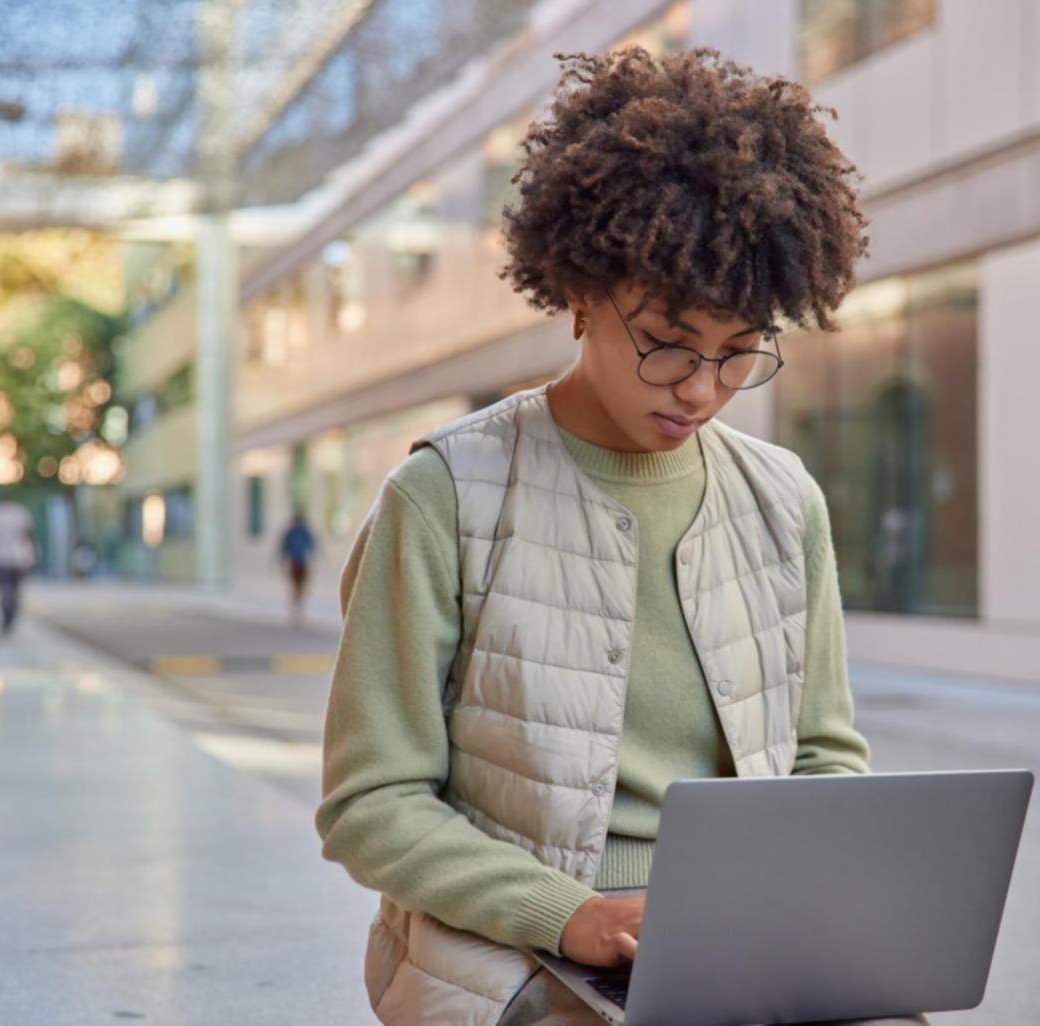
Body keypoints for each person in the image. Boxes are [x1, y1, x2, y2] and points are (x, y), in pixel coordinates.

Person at [316, 47, 926, 1026]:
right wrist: (569, 916)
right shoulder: (442, 496)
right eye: (669, 343)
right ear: (582, 294)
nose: (699, 389)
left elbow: (821, 759)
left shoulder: (781, 499)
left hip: (742, 941)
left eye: (737, 354)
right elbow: (369, 805)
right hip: (513, 954)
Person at [0, 495, 36, 636]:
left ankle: (7, 613)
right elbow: (26, 536)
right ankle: (10, 612)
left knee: (2, 588)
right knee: (13, 589)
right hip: (15, 559)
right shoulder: (20, 512)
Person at [278, 511, 316, 627]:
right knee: (296, 586)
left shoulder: (304, 532)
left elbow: (311, 546)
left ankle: (297, 609)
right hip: (295, 562)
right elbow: (284, 547)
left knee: (300, 587)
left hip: (302, 562)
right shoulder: (292, 533)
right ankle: (296, 609)